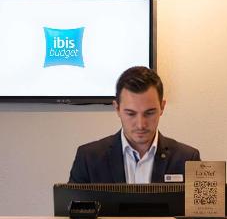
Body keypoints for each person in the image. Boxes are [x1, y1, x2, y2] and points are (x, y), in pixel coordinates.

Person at [68, 66, 200, 184]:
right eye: (131, 114)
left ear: (162, 107)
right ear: (117, 108)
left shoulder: (188, 159)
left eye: (149, 113)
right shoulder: (88, 158)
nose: (141, 124)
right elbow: (72, 204)